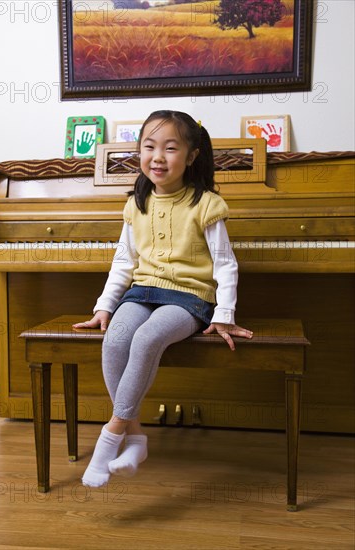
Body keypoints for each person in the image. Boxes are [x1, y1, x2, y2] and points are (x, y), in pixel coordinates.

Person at [73, 110, 253, 488]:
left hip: (189, 298)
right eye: (149, 146)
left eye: (170, 148)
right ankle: (136, 436)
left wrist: (224, 313)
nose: (158, 156)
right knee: (117, 338)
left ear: (191, 157)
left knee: (147, 338)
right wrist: (104, 306)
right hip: (143, 291)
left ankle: (112, 435)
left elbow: (225, 264)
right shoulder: (136, 204)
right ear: (139, 152)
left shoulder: (205, 204)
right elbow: (124, 261)